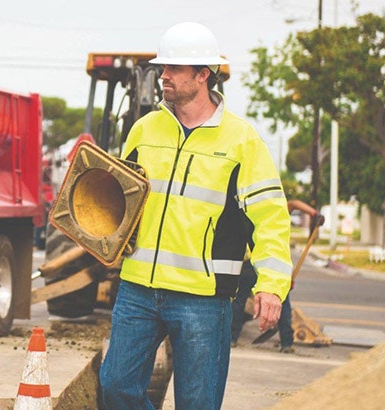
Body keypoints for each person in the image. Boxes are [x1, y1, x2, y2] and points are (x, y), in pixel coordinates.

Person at [98, 22, 293, 410]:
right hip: (137, 288)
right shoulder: (143, 129)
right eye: (163, 68)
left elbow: (270, 218)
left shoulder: (242, 140)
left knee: (198, 404)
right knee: (115, 388)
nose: (163, 76)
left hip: (203, 299)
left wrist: (271, 285)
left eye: (173, 70)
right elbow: (118, 198)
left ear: (203, 75)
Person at [231, 200, 322, 353]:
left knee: (239, 300)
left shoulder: (254, 207)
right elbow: (294, 203)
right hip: (271, 263)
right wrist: (314, 213)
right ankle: (287, 343)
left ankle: (232, 338)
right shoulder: (275, 208)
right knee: (282, 301)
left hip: (251, 261)